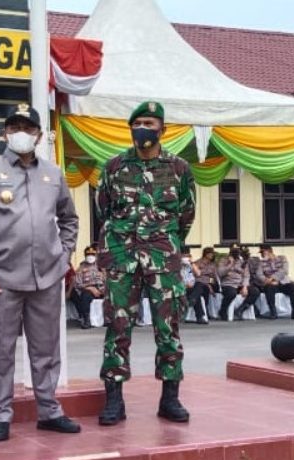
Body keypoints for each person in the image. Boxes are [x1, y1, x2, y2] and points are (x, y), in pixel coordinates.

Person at [0, 102, 81, 441]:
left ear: (39, 135)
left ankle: (49, 410)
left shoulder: (53, 174)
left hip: (47, 276)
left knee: (46, 348)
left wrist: (64, 256)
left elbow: (69, 218)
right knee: (0, 350)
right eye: (15, 127)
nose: (22, 134)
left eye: (28, 128)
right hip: (2, 277)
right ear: (5, 133)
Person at [95, 101, 196, 426]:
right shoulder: (113, 167)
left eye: (150, 123)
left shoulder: (179, 168)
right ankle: (114, 400)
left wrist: (164, 241)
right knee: (117, 326)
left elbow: (186, 215)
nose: (143, 128)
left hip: (162, 258)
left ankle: (170, 398)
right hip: (122, 257)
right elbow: (104, 210)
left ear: (162, 129)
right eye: (138, 122)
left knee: (168, 327)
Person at [256, 244, 294, 320]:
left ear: (269, 251)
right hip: (271, 284)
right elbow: (259, 274)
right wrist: (267, 280)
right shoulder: (262, 262)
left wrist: (273, 278)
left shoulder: (282, 258)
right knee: (269, 288)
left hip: (283, 283)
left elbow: (284, 270)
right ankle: (273, 312)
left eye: (263, 252)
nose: (261, 254)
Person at [217, 243, 259, 321]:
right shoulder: (223, 260)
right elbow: (220, 273)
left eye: (237, 250)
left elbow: (246, 275)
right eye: (234, 250)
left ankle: (240, 310)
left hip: (240, 285)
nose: (236, 252)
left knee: (255, 292)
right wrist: (230, 264)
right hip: (228, 284)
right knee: (231, 293)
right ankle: (223, 310)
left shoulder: (242, 262)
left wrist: (245, 287)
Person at [71, 246, 106, 329]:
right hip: (88, 289)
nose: (90, 256)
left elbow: (107, 279)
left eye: (92, 254)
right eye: (88, 254)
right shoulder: (81, 267)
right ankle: (86, 320)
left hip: (102, 289)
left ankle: (109, 319)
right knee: (85, 296)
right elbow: (77, 284)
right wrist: (90, 288)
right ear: (85, 255)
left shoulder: (101, 265)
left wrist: (102, 289)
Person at [181, 251, 208, 324]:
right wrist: (184, 284)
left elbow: (198, 274)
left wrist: (192, 263)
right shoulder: (177, 266)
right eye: (185, 256)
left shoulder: (191, 265)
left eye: (189, 257)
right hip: (181, 288)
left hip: (192, 288)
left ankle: (192, 299)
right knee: (197, 296)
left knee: (200, 284)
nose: (187, 259)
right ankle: (200, 317)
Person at [193, 247, 219, 320]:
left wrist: (209, 283)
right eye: (211, 254)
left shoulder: (212, 264)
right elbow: (195, 276)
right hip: (199, 282)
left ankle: (196, 300)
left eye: (213, 254)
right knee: (202, 286)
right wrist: (207, 284)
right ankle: (205, 310)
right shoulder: (198, 263)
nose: (212, 255)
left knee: (207, 285)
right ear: (206, 254)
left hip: (210, 282)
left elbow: (213, 277)